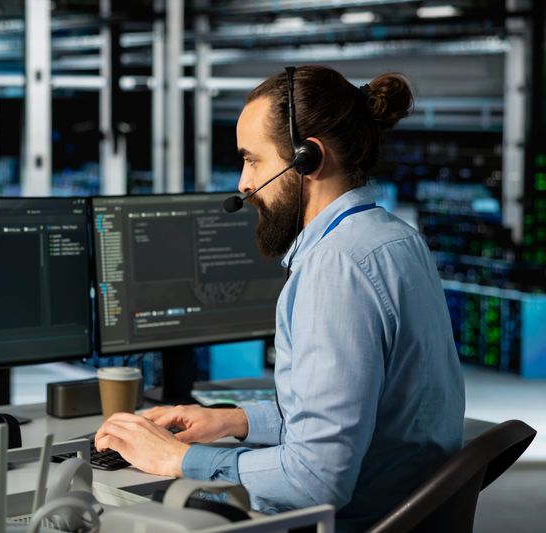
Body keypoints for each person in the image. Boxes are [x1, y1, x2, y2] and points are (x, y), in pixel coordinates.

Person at [95, 65, 466, 531]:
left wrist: (179, 458)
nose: (243, 184)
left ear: (308, 159)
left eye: (253, 160)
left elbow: (315, 480)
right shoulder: (395, 238)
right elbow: (351, 413)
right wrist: (231, 421)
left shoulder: (336, 269)